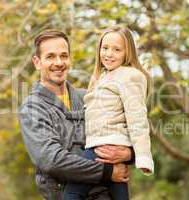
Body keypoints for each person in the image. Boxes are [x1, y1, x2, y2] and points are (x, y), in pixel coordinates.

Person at [18, 29, 134, 200]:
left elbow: (125, 129)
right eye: (50, 56)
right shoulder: (32, 108)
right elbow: (52, 160)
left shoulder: (88, 96)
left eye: (64, 56)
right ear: (37, 62)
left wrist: (129, 154)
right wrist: (107, 171)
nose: (59, 62)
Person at [64, 26, 154, 200]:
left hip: (104, 146)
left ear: (128, 53)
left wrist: (142, 156)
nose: (109, 54)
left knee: (72, 192)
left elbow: (138, 119)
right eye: (105, 48)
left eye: (117, 49)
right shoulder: (102, 77)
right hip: (104, 146)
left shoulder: (130, 76)